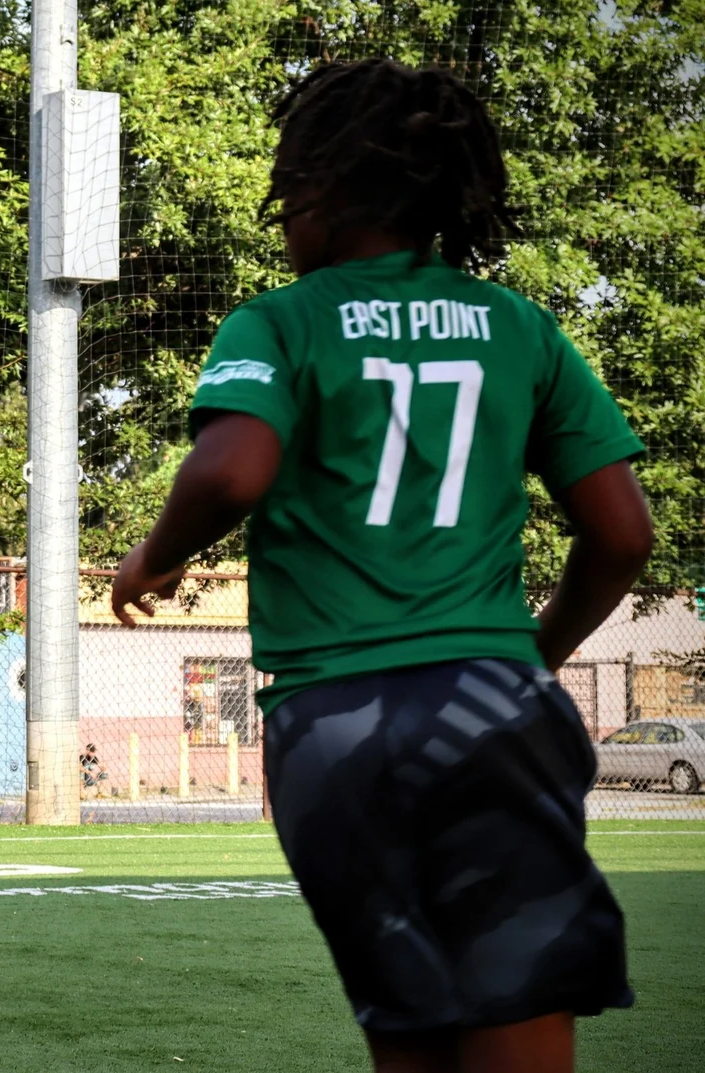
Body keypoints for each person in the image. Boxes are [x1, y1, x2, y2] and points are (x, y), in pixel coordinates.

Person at [111, 59, 651, 1073]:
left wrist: (154, 555)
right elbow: (622, 533)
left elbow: (232, 469)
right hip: (493, 700)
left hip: (333, 723)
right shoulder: (522, 327)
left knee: (408, 1034)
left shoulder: (282, 320)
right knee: (520, 1017)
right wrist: (532, 654)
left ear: (316, 189)